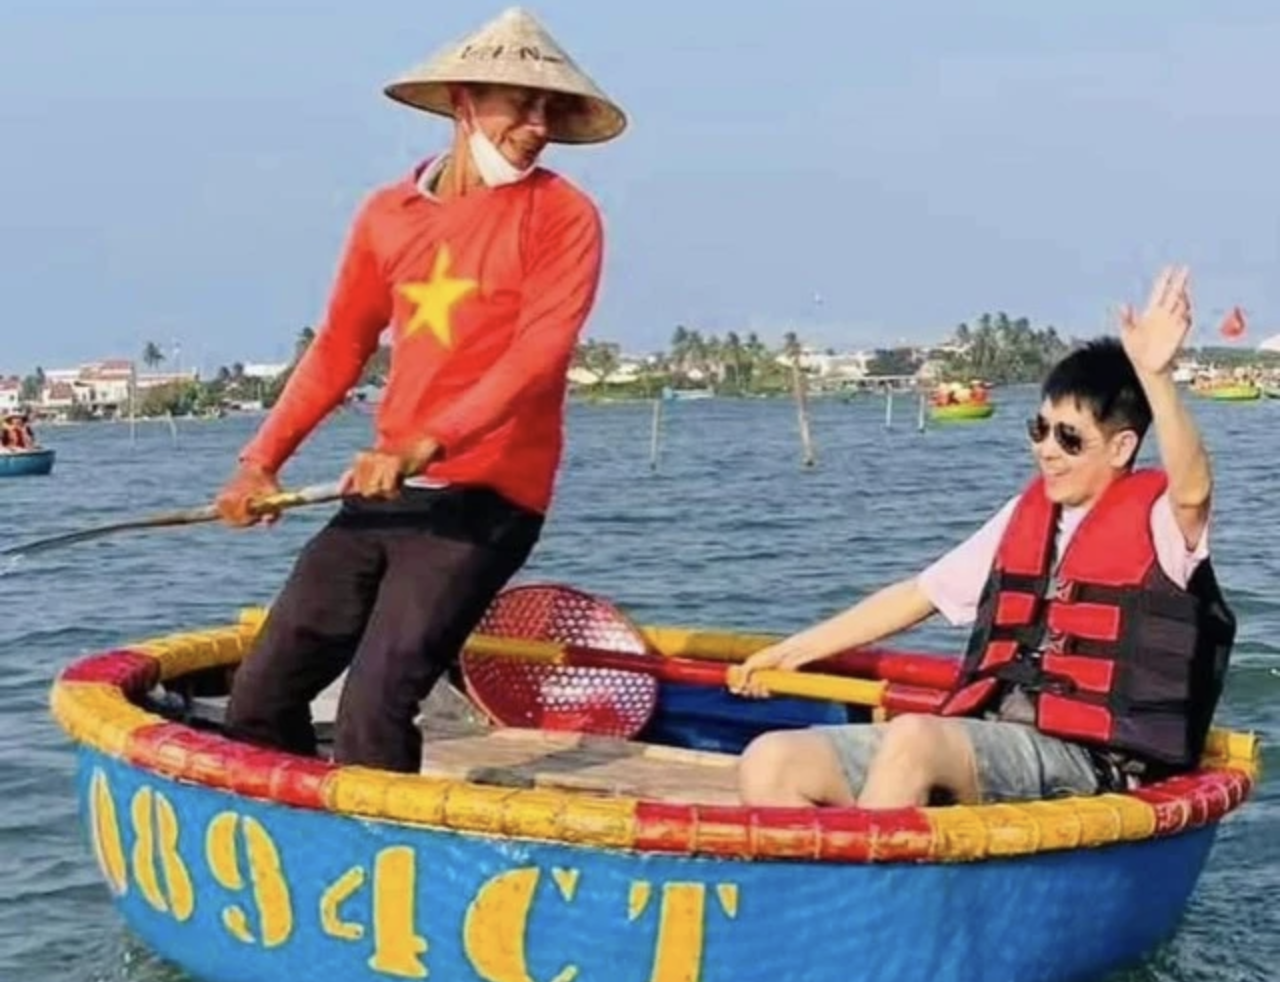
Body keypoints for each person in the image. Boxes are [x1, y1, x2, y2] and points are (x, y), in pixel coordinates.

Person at [214, 7, 627, 773]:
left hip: (490, 495)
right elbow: (339, 346)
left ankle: (386, 866)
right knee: (263, 693)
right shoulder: (387, 214)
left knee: (376, 705)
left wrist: (422, 444)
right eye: (520, 104)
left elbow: (536, 356)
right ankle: (296, 850)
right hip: (384, 489)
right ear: (464, 101)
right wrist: (259, 460)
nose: (537, 126)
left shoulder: (564, 216)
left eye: (550, 110)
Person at [731, 266, 1235, 809]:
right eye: (1039, 430)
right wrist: (789, 652)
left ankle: (874, 882)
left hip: (1089, 759)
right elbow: (918, 594)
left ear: (1120, 448)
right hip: (990, 734)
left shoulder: (1162, 521)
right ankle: (832, 889)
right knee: (772, 758)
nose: (1046, 449)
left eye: (1069, 438)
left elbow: (1193, 491)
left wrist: (1156, 377)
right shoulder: (1027, 514)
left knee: (917, 739)